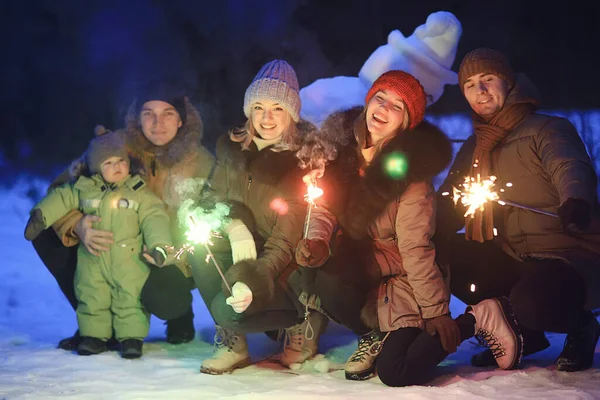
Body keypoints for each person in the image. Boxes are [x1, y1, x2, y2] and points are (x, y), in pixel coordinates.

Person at [289, 70, 524, 386]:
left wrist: (436, 311)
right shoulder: (339, 153)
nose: (384, 109)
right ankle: (373, 336)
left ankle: (478, 319)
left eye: (397, 106)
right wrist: (317, 242)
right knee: (322, 276)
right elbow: (323, 205)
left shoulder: (411, 180)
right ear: (369, 100)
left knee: (395, 372)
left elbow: (416, 249)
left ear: (407, 122)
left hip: (406, 280)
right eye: (380, 98)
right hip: (367, 271)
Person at [434, 48, 600, 372]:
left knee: (531, 302)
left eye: (487, 80)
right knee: (448, 250)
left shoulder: (547, 128)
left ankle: (581, 326)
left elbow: (569, 166)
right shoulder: (474, 148)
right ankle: (526, 335)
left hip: (567, 257)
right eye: (469, 85)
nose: (479, 91)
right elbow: (450, 201)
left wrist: (575, 201)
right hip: (513, 255)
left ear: (508, 83)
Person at [31, 86, 215, 350]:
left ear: (181, 119)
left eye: (168, 113)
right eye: (148, 113)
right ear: (137, 118)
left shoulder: (201, 161)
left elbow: (213, 220)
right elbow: (59, 190)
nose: (158, 123)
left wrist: (171, 255)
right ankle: (96, 323)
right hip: (108, 250)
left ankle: (179, 312)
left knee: (168, 296)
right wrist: (77, 225)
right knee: (43, 229)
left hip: (163, 256)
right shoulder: (113, 146)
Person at [190, 60, 328, 375]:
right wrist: (234, 227)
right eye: (259, 107)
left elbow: (285, 239)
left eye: (277, 108)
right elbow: (211, 202)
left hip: (284, 266)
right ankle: (232, 341)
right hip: (244, 254)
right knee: (201, 249)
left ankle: (302, 321)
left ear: (292, 114)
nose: (267, 117)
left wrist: (253, 279)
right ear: (248, 111)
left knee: (299, 264)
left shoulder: (304, 162)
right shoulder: (231, 152)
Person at [24, 130, 173, 359]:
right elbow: (61, 197)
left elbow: (155, 217)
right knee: (92, 297)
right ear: (95, 167)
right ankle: (93, 337)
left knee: (131, 299)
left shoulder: (137, 191)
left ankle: (131, 339)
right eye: (109, 162)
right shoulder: (84, 188)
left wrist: (160, 245)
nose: (117, 166)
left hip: (129, 261)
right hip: (93, 259)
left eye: (121, 161)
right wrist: (41, 215)